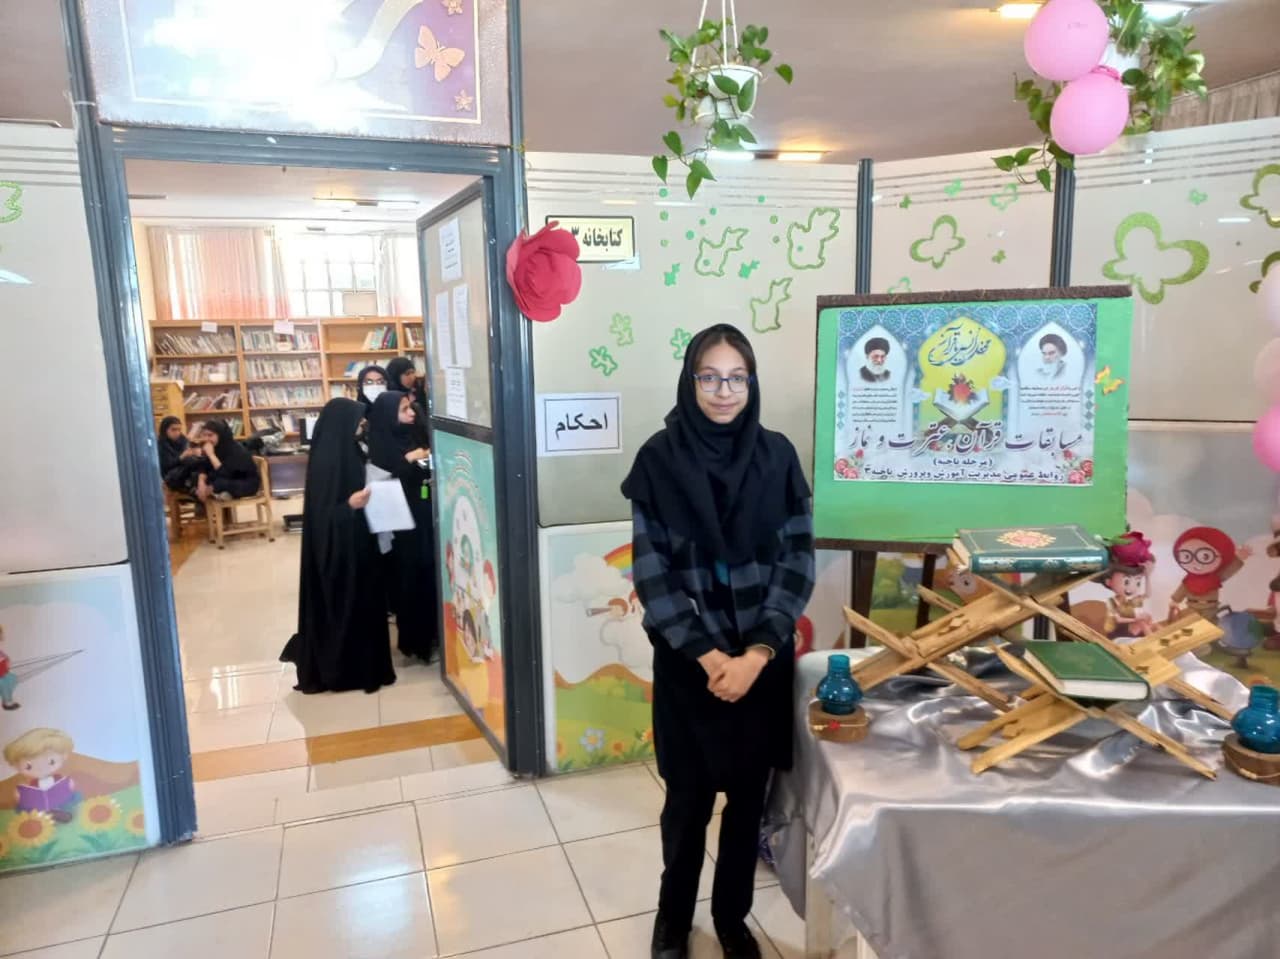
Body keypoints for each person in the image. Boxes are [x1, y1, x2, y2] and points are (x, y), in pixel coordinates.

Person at [620, 324, 816, 959]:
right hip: (690, 666)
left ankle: (732, 919)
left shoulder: (778, 457)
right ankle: (673, 921)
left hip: (761, 664)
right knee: (687, 803)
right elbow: (653, 575)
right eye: (710, 377)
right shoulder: (659, 460)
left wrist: (756, 654)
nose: (723, 391)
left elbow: (797, 563)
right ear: (691, 380)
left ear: (751, 384)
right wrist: (709, 656)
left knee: (747, 803)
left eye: (736, 378)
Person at [280, 398, 396, 693]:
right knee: (346, 607)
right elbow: (321, 519)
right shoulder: (327, 462)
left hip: (360, 543)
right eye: (358, 420)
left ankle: (367, 666)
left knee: (366, 604)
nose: (362, 425)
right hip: (339, 553)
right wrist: (349, 506)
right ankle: (346, 672)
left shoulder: (352, 450)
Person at [368, 390, 440, 663]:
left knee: (428, 575)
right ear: (389, 416)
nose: (411, 413)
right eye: (404, 409)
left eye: (410, 407)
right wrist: (408, 460)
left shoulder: (413, 436)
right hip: (400, 527)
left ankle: (432, 637)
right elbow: (384, 479)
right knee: (409, 581)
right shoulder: (381, 444)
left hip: (422, 518)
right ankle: (416, 642)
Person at [193, 419, 260, 503]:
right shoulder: (216, 447)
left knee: (219, 483)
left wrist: (211, 455)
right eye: (204, 435)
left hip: (245, 483)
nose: (206, 439)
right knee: (196, 476)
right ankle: (219, 496)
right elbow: (204, 466)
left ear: (221, 435)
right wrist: (201, 482)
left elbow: (226, 474)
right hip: (228, 480)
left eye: (210, 435)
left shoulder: (236, 450)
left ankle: (217, 497)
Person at [156, 416, 208, 494]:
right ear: (165, 430)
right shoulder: (161, 444)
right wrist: (182, 456)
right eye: (173, 429)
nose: (177, 433)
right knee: (191, 462)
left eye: (179, 429)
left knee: (201, 462)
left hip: (185, 470)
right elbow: (166, 466)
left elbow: (188, 453)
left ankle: (199, 487)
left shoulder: (182, 439)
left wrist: (196, 453)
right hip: (171, 475)